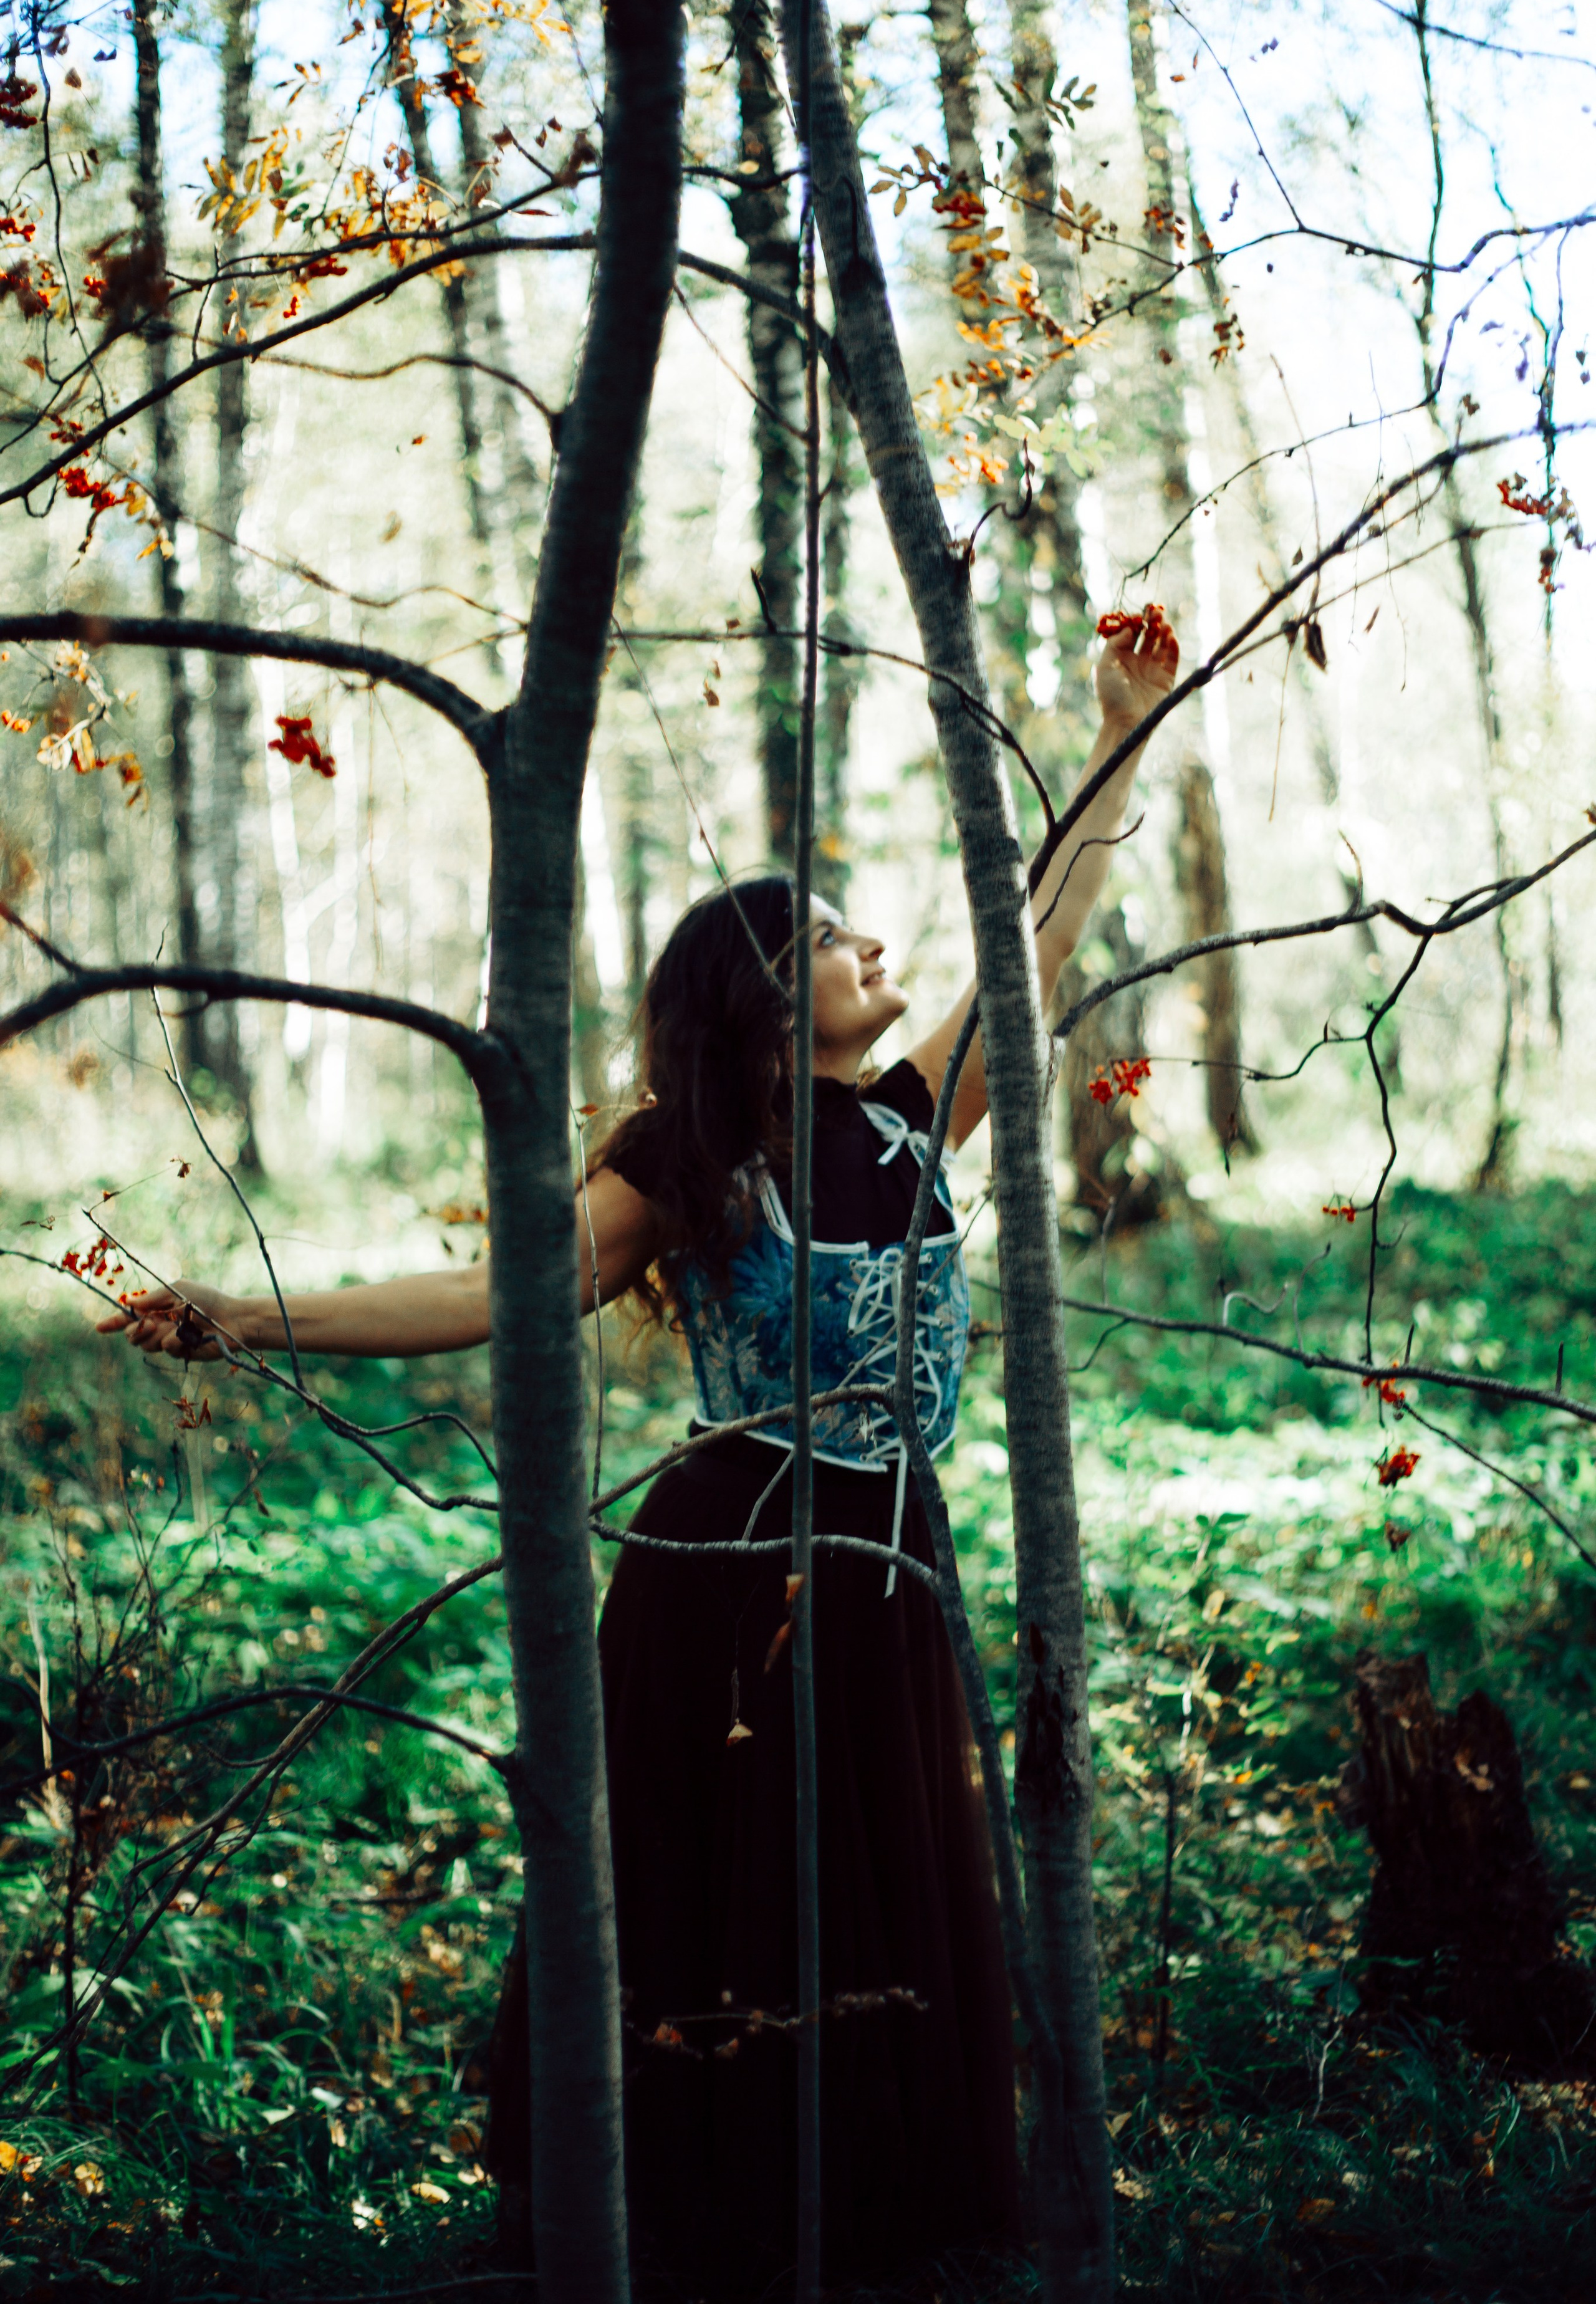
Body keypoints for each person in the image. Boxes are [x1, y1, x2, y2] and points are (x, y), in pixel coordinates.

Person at [103, 608, 1178, 2298]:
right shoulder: (689, 1152)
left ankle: (876, 2227)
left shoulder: (915, 1106)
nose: (871, 943)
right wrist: (245, 1317)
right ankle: (716, 2224)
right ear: (760, 999)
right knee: (737, 1891)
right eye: (827, 935)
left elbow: (1046, 933)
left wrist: (1123, 729)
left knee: (885, 1882)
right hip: (733, 1557)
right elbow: (493, 1292)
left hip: (901, 1551)